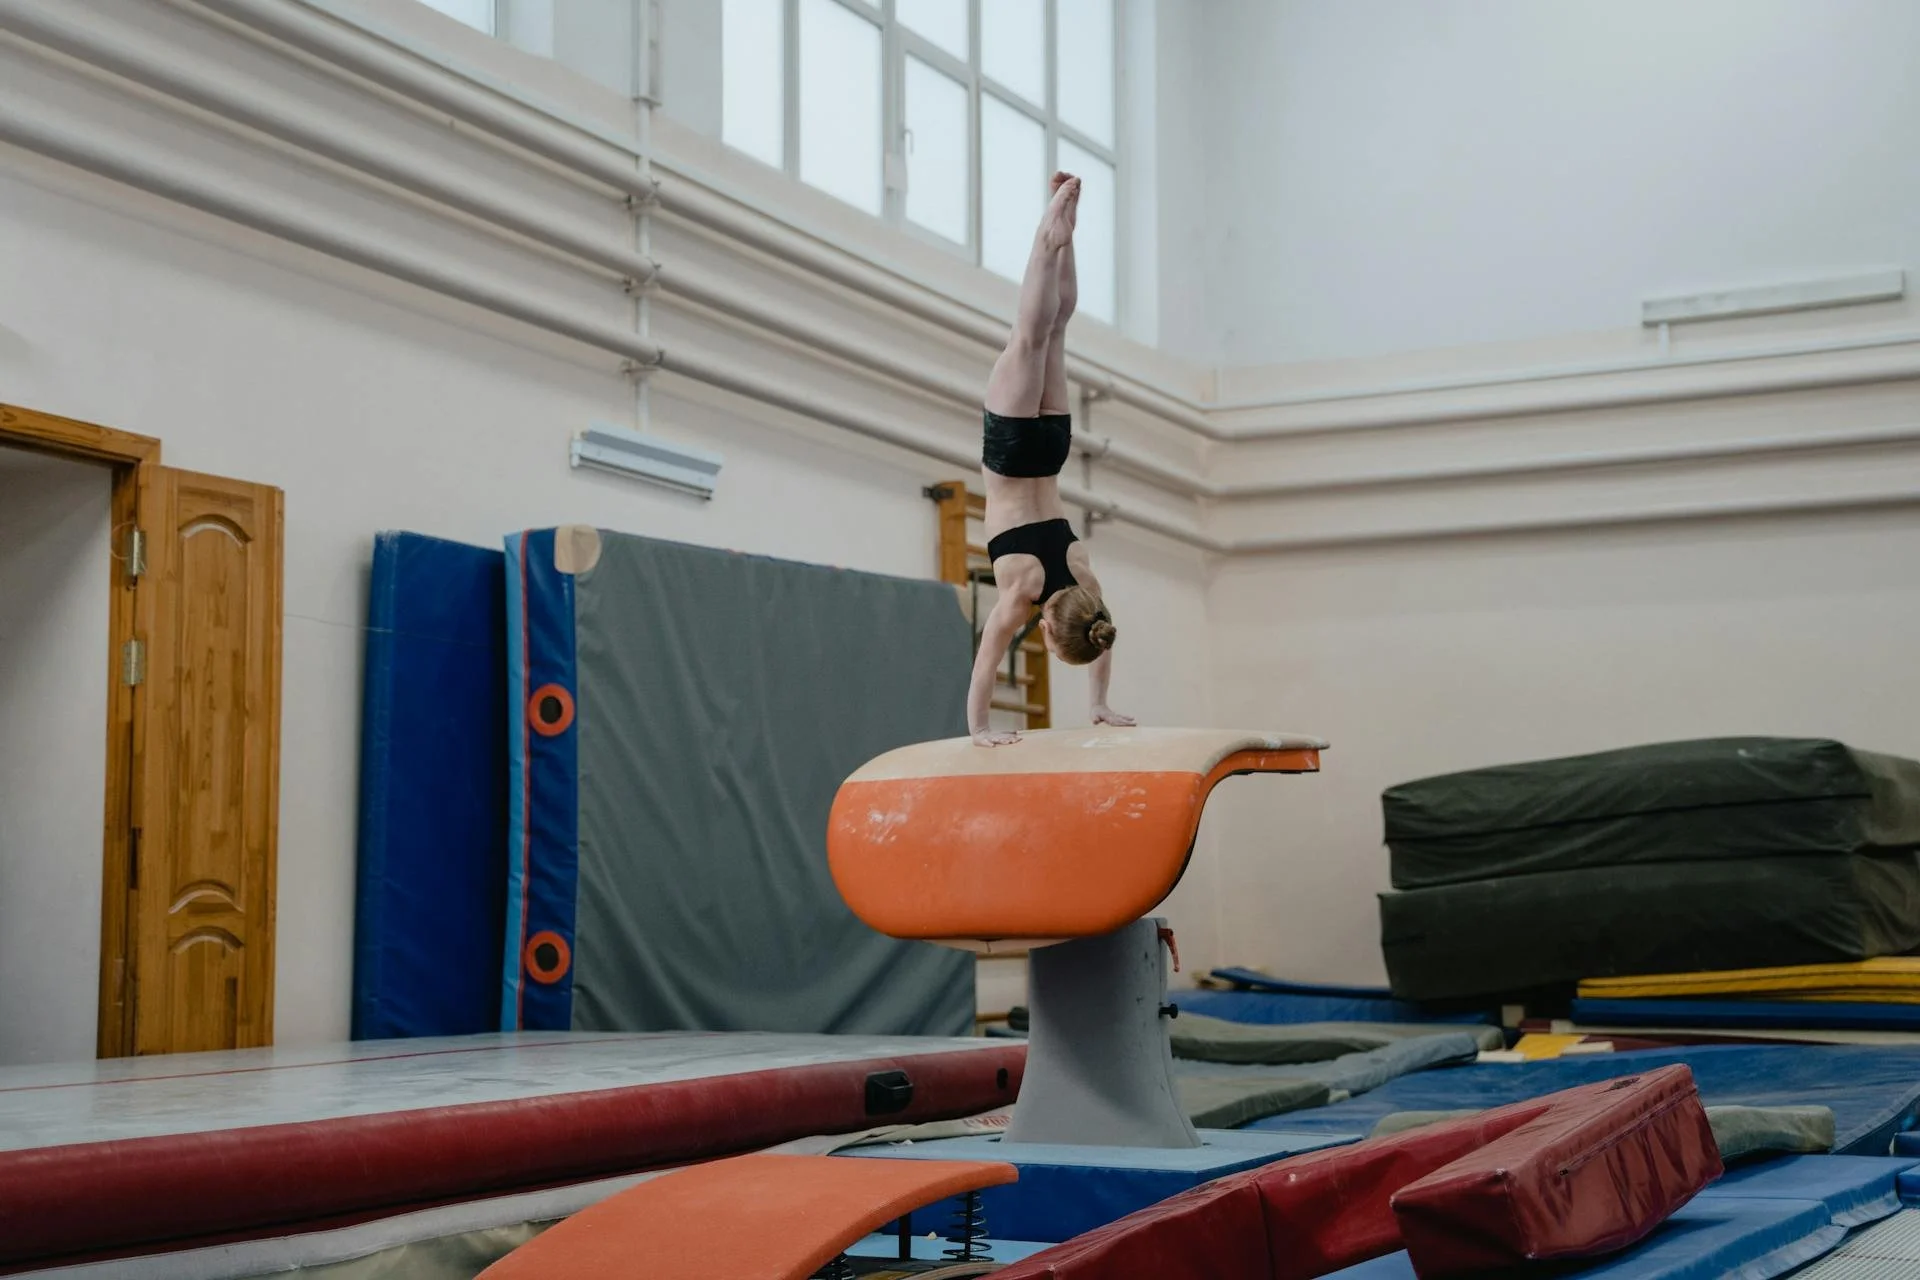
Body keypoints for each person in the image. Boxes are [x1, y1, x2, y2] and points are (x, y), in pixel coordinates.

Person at [969, 172, 1135, 747]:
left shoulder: (1084, 576)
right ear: (1045, 629)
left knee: (1056, 331)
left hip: (1051, 450)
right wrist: (980, 728)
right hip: (1012, 453)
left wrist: (1100, 701)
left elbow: (1102, 635)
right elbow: (986, 662)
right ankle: (1049, 239)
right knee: (1029, 335)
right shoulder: (1022, 590)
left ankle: (1066, 238)